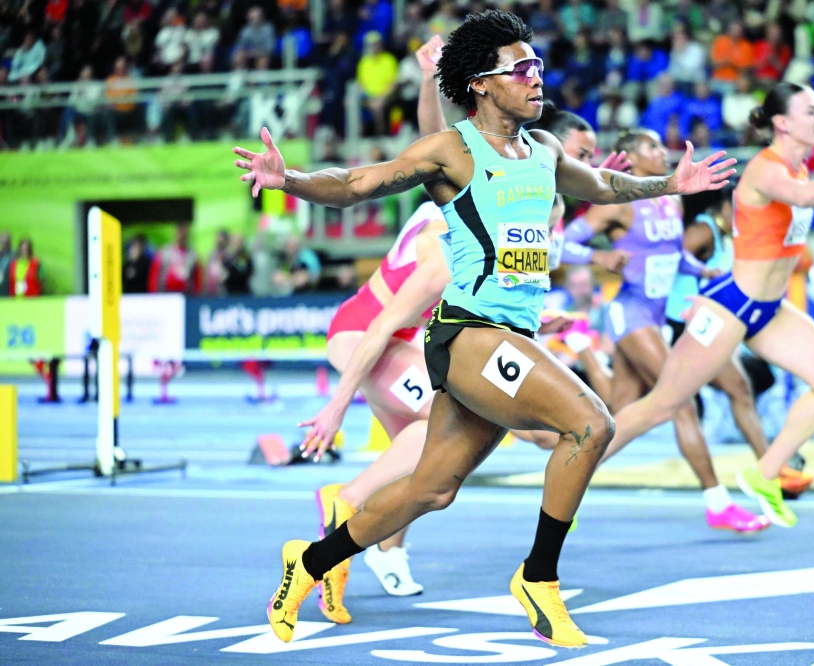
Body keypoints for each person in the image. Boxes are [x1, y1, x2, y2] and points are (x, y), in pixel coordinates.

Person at [234, 9, 734, 647]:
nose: (536, 78)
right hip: (465, 332)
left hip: (511, 338)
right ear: (480, 83)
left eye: (538, 66)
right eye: (521, 68)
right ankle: (539, 577)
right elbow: (358, 183)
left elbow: (604, 185)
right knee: (592, 423)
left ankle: (308, 562)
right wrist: (293, 181)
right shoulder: (452, 151)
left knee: (430, 489)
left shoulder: (544, 150)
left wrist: (669, 183)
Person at [303, 36, 625, 626]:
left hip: (460, 331)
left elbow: (550, 237)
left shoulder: (532, 198)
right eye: (582, 151)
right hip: (379, 334)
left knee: (433, 484)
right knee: (561, 424)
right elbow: (427, 151)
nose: (581, 165)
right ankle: (345, 498)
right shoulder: (454, 217)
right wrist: (334, 408)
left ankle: (325, 557)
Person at [596, 83, 814, 529]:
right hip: (727, 307)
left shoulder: (799, 169)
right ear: (783, 123)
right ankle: (575, 472)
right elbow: (803, 199)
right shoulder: (766, 170)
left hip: (769, 311)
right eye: (811, 110)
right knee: (662, 405)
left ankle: (765, 473)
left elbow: (797, 208)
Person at [560, 128, 766, 533]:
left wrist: (700, 268)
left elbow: (673, 255)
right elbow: (562, 244)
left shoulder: (670, 198)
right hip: (630, 313)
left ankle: (564, 486)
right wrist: (599, 254)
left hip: (651, 319)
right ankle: (717, 504)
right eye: (653, 147)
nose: (663, 152)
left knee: (616, 417)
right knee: (680, 402)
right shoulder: (616, 201)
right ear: (632, 159)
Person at [669, 191, 814, 497]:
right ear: (723, 207)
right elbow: (670, 255)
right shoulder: (704, 229)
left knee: (739, 390)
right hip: (681, 325)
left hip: (702, 327)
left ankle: (771, 472)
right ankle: (769, 473)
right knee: (651, 409)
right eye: (739, 209)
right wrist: (702, 271)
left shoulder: (722, 238)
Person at [148, 222, 202, 294]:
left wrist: (196, 296)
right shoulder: (164, 252)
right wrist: (154, 294)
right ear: (176, 232)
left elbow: (197, 279)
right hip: (166, 294)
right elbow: (154, 275)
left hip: (186, 295)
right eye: (180, 231)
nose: (182, 235)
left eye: (185, 233)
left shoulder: (192, 255)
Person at [0, 232, 13, 298]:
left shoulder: (14, 255)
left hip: (8, 286)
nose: (4, 244)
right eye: (2, 242)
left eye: (6, 242)